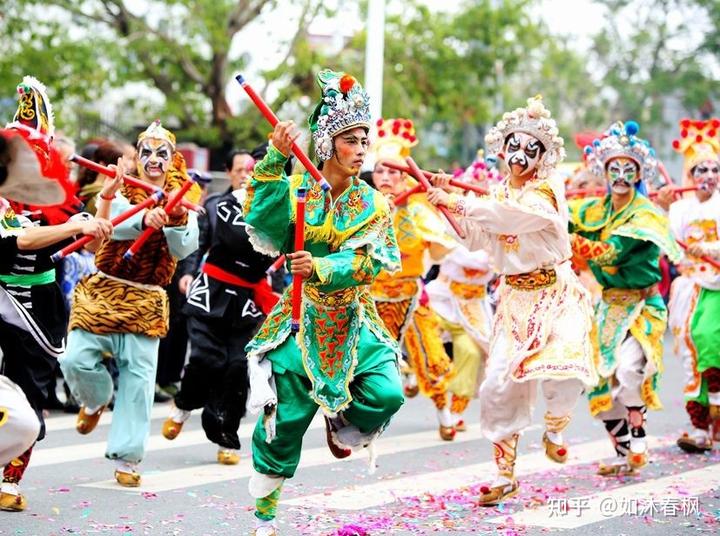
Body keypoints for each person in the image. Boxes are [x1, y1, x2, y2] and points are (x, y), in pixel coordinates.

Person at [242, 69, 403, 536]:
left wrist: (323, 266)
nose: (360, 150)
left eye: (363, 140)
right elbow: (262, 214)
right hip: (301, 314)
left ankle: (342, 420)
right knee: (285, 422)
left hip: (352, 315)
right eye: (350, 140)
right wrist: (275, 152)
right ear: (327, 144)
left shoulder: (373, 204)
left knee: (388, 393)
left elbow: (372, 262)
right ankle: (266, 516)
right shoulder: (299, 192)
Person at [427, 96, 597, 505]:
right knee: (498, 384)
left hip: (556, 294)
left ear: (543, 155)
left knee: (564, 366)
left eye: (530, 148)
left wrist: (459, 201)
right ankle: (505, 474)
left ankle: (555, 425)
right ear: (502, 150)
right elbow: (477, 236)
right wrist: (446, 204)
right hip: (514, 299)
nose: (520, 156)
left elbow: (507, 216)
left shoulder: (547, 191)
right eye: (513, 147)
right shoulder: (498, 194)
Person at [60, 120, 200, 487]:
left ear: (173, 160)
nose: (154, 160)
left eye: (162, 154)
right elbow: (111, 225)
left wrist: (173, 218)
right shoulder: (121, 186)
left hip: (147, 300)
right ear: (136, 157)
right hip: (105, 291)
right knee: (74, 357)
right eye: (147, 153)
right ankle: (94, 400)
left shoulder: (183, 199)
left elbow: (185, 247)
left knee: (139, 384)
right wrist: (142, 218)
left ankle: (127, 457)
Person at [0, 76, 113, 511]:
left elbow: (92, 237)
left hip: (39, 308)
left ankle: (11, 479)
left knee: (31, 395)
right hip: (1, 300)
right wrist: (77, 225)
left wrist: (102, 203)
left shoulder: (54, 198)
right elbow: (21, 241)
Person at [569, 120, 682, 475]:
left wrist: (570, 239)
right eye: (613, 168)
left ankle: (638, 436)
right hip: (609, 307)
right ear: (604, 173)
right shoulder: (593, 209)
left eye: (627, 169)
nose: (619, 175)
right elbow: (563, 218)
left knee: (630, 370)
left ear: (637, 174)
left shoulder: (645, 215)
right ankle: (622, 451)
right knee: (597, 380)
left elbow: (610, 252)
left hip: (643, 306)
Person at [162, 150, 278, 466]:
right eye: (243, 170)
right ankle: (183, 405)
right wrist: (186, 272)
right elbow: (197, 243)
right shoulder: (219, 206)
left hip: (247, 299)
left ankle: (226, 433)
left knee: (237, 367)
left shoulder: (281, 216)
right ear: (230, 173)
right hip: (210, 293)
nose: (249, 176)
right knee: (205, 358)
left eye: (255, 171)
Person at [368, 117, 458, 440]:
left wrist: (438, 199)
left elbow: (437, 248)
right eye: (381, 171)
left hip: (410, 291)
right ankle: (372, 411)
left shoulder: (416, 208)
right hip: (373, 296)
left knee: (431, 352)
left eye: (394, 172)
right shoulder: (364, 205)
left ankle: (443, 412)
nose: (387, 177)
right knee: (372, 357)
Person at [661, 119, 720, 452]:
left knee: (709, 338)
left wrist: (710, 249)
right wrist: (662, 207)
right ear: (690, 175)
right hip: (688, 289)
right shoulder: (680, 208)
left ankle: (716, 413)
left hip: (716, 287)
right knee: (688, 353)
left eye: (715, 168)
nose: (709, 175)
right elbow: (667, 243)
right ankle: (700, 428)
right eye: (701, 169)